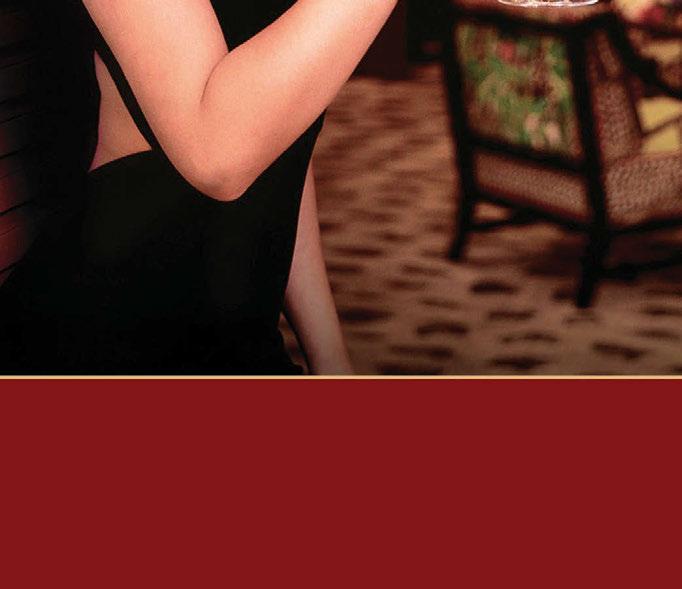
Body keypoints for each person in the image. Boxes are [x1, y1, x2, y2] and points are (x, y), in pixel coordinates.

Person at [0, 0, 398, 375]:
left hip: (243, 343)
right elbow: (216, 155)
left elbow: (276, 145)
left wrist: (332, 363)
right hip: (110, 344)